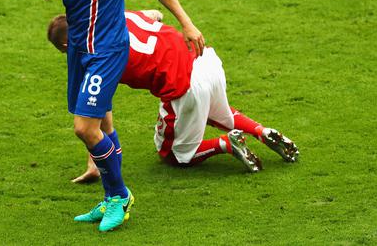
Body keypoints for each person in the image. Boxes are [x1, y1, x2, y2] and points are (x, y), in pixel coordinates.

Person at [9, 0, 205, 232]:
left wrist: (187, 23)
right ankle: (110, 193)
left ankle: (119, 195)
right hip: (79, 46)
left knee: (85, 127)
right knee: (102, 123)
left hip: (109, 46)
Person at [47, 10, 299, 183]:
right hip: (205, 59)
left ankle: (225, 144)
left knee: (173, 155)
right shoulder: (112, 13)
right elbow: (154, 14)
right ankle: (260, 131)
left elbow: (98, 114)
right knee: (211, 112)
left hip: (185, 86)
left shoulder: (96, 58)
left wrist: (95, 161)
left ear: (67, 46)